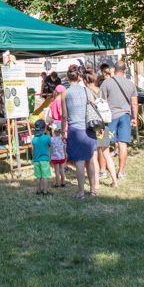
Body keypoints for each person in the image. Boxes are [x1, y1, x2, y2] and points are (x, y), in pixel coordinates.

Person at [60, 67, 98, 199]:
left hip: (75, 129)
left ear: (68, 77)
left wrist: (62, 130)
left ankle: (81, 192)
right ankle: (93, 190)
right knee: (90, 160)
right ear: (79, 76)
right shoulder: (88, 90)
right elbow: (94, 108)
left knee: (79, 162)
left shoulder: (66, 93)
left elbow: (64, 115)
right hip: (89, 128)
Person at [99, 61, 138, 180]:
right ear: (125, 70)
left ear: (113, 69)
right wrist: (134, 118)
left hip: (109, 117)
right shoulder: (131, 84)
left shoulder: (106, 83)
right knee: (123, 144)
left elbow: (102, 102)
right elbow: (134, 103)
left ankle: (102, 171)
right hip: (125, 116)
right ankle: (121, 172)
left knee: (103, 143)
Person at [90, 71, 118, 187]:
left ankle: (96, 183)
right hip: (104, 125)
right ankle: (115, 182)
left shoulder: (88, 91)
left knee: (94, 155)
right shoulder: (102, 91)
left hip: (93, 126)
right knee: (106, 153)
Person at [31, 119, 52, 195]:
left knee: (38, 177)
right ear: (44, 129)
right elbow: (50, 146)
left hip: (36, 160)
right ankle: (45, 192)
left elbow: (33, 150)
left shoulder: (34, 139)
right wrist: (50, 156)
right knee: (45, 176)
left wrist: (33, 158)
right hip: (45, 160)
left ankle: (38, 191)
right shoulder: (46, 138)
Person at [49, 122, 66, 188]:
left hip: (55, 157)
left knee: (56, 170)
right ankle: (63, 182)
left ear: (53, 131)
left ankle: (57, 183)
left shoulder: (52, 139)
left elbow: (51, 148)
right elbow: (64, 146)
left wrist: (50, 155)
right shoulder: (62, 138)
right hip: (61, 156)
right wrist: (65, 154)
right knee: (62, 169)